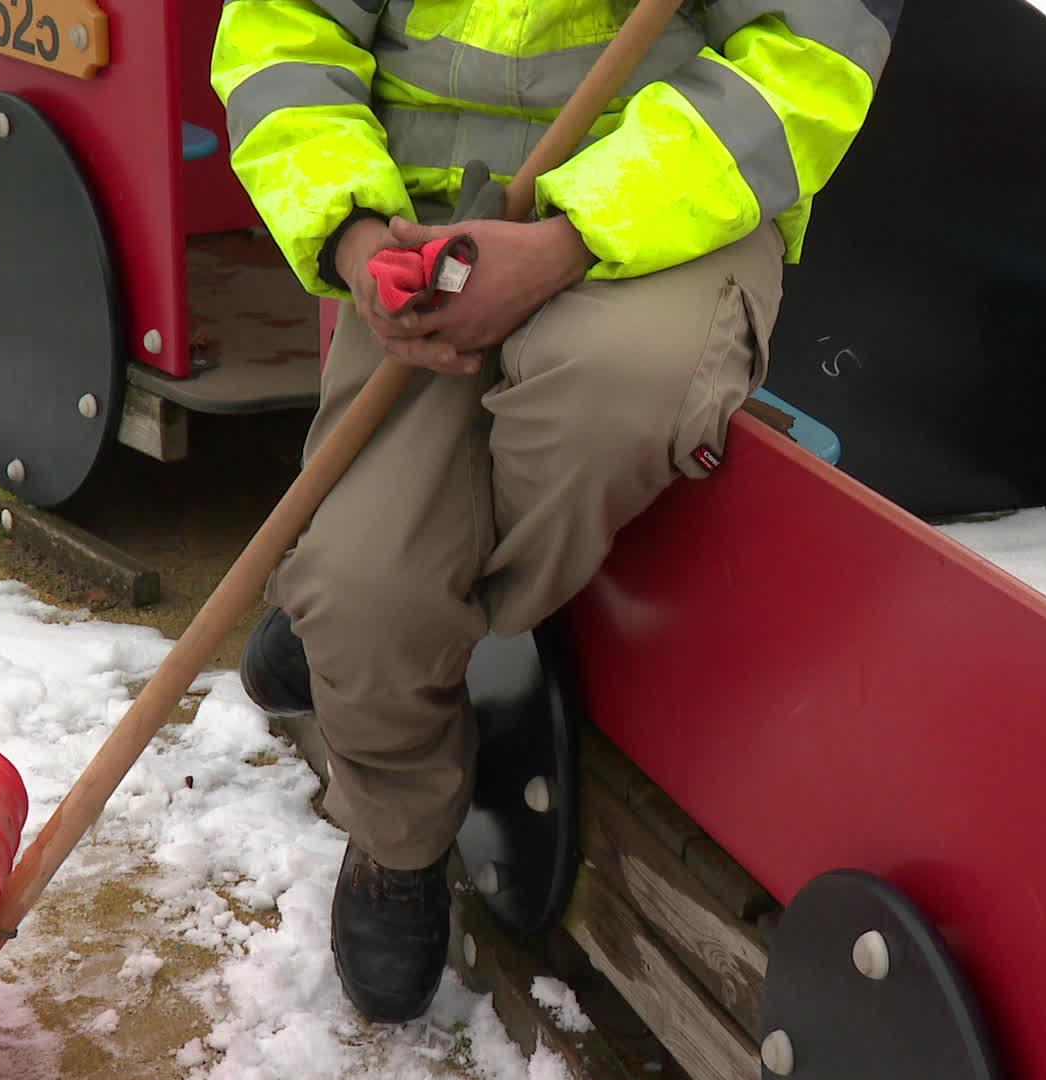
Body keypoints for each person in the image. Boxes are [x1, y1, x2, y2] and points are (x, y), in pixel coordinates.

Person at [212, 0, 898, 1023]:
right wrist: (354, 234)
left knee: (607, 397)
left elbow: (811, 59)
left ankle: (351, 633)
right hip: (418, 221)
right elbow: (280, 34)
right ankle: (395, 825)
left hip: (668, 215)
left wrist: (573, 237)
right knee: (364, 586)